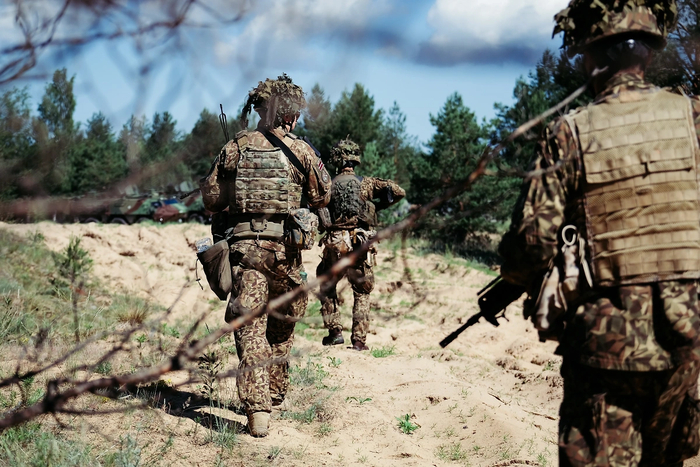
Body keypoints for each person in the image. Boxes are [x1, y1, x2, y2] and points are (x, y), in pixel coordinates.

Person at [498, 1, 700, 465]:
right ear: (648, 53)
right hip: (687, 337)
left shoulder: (570, 133)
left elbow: (532, 242)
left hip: (607, 346)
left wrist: (519, 279)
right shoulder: (692, 119)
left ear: (591, 57)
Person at [199, 74, 331, 437]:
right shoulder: (302, 151)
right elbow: (322, 196)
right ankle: (272, 393)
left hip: (246, 253)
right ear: (289, 115)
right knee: (283, 323)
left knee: (250, 326)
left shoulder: (235, 147)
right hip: (286, 255)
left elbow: (211, 199)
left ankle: (259, 409)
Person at [317, 139, 405, 351]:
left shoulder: (329, 184)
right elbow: (399, 191)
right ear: (355, 160)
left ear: (337, 160)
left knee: (326, 284)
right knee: (362, 292)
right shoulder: (367, 183)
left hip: (336, 243)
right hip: (360, 243)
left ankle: (335, 332)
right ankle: (358, 341)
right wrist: (378, 206)